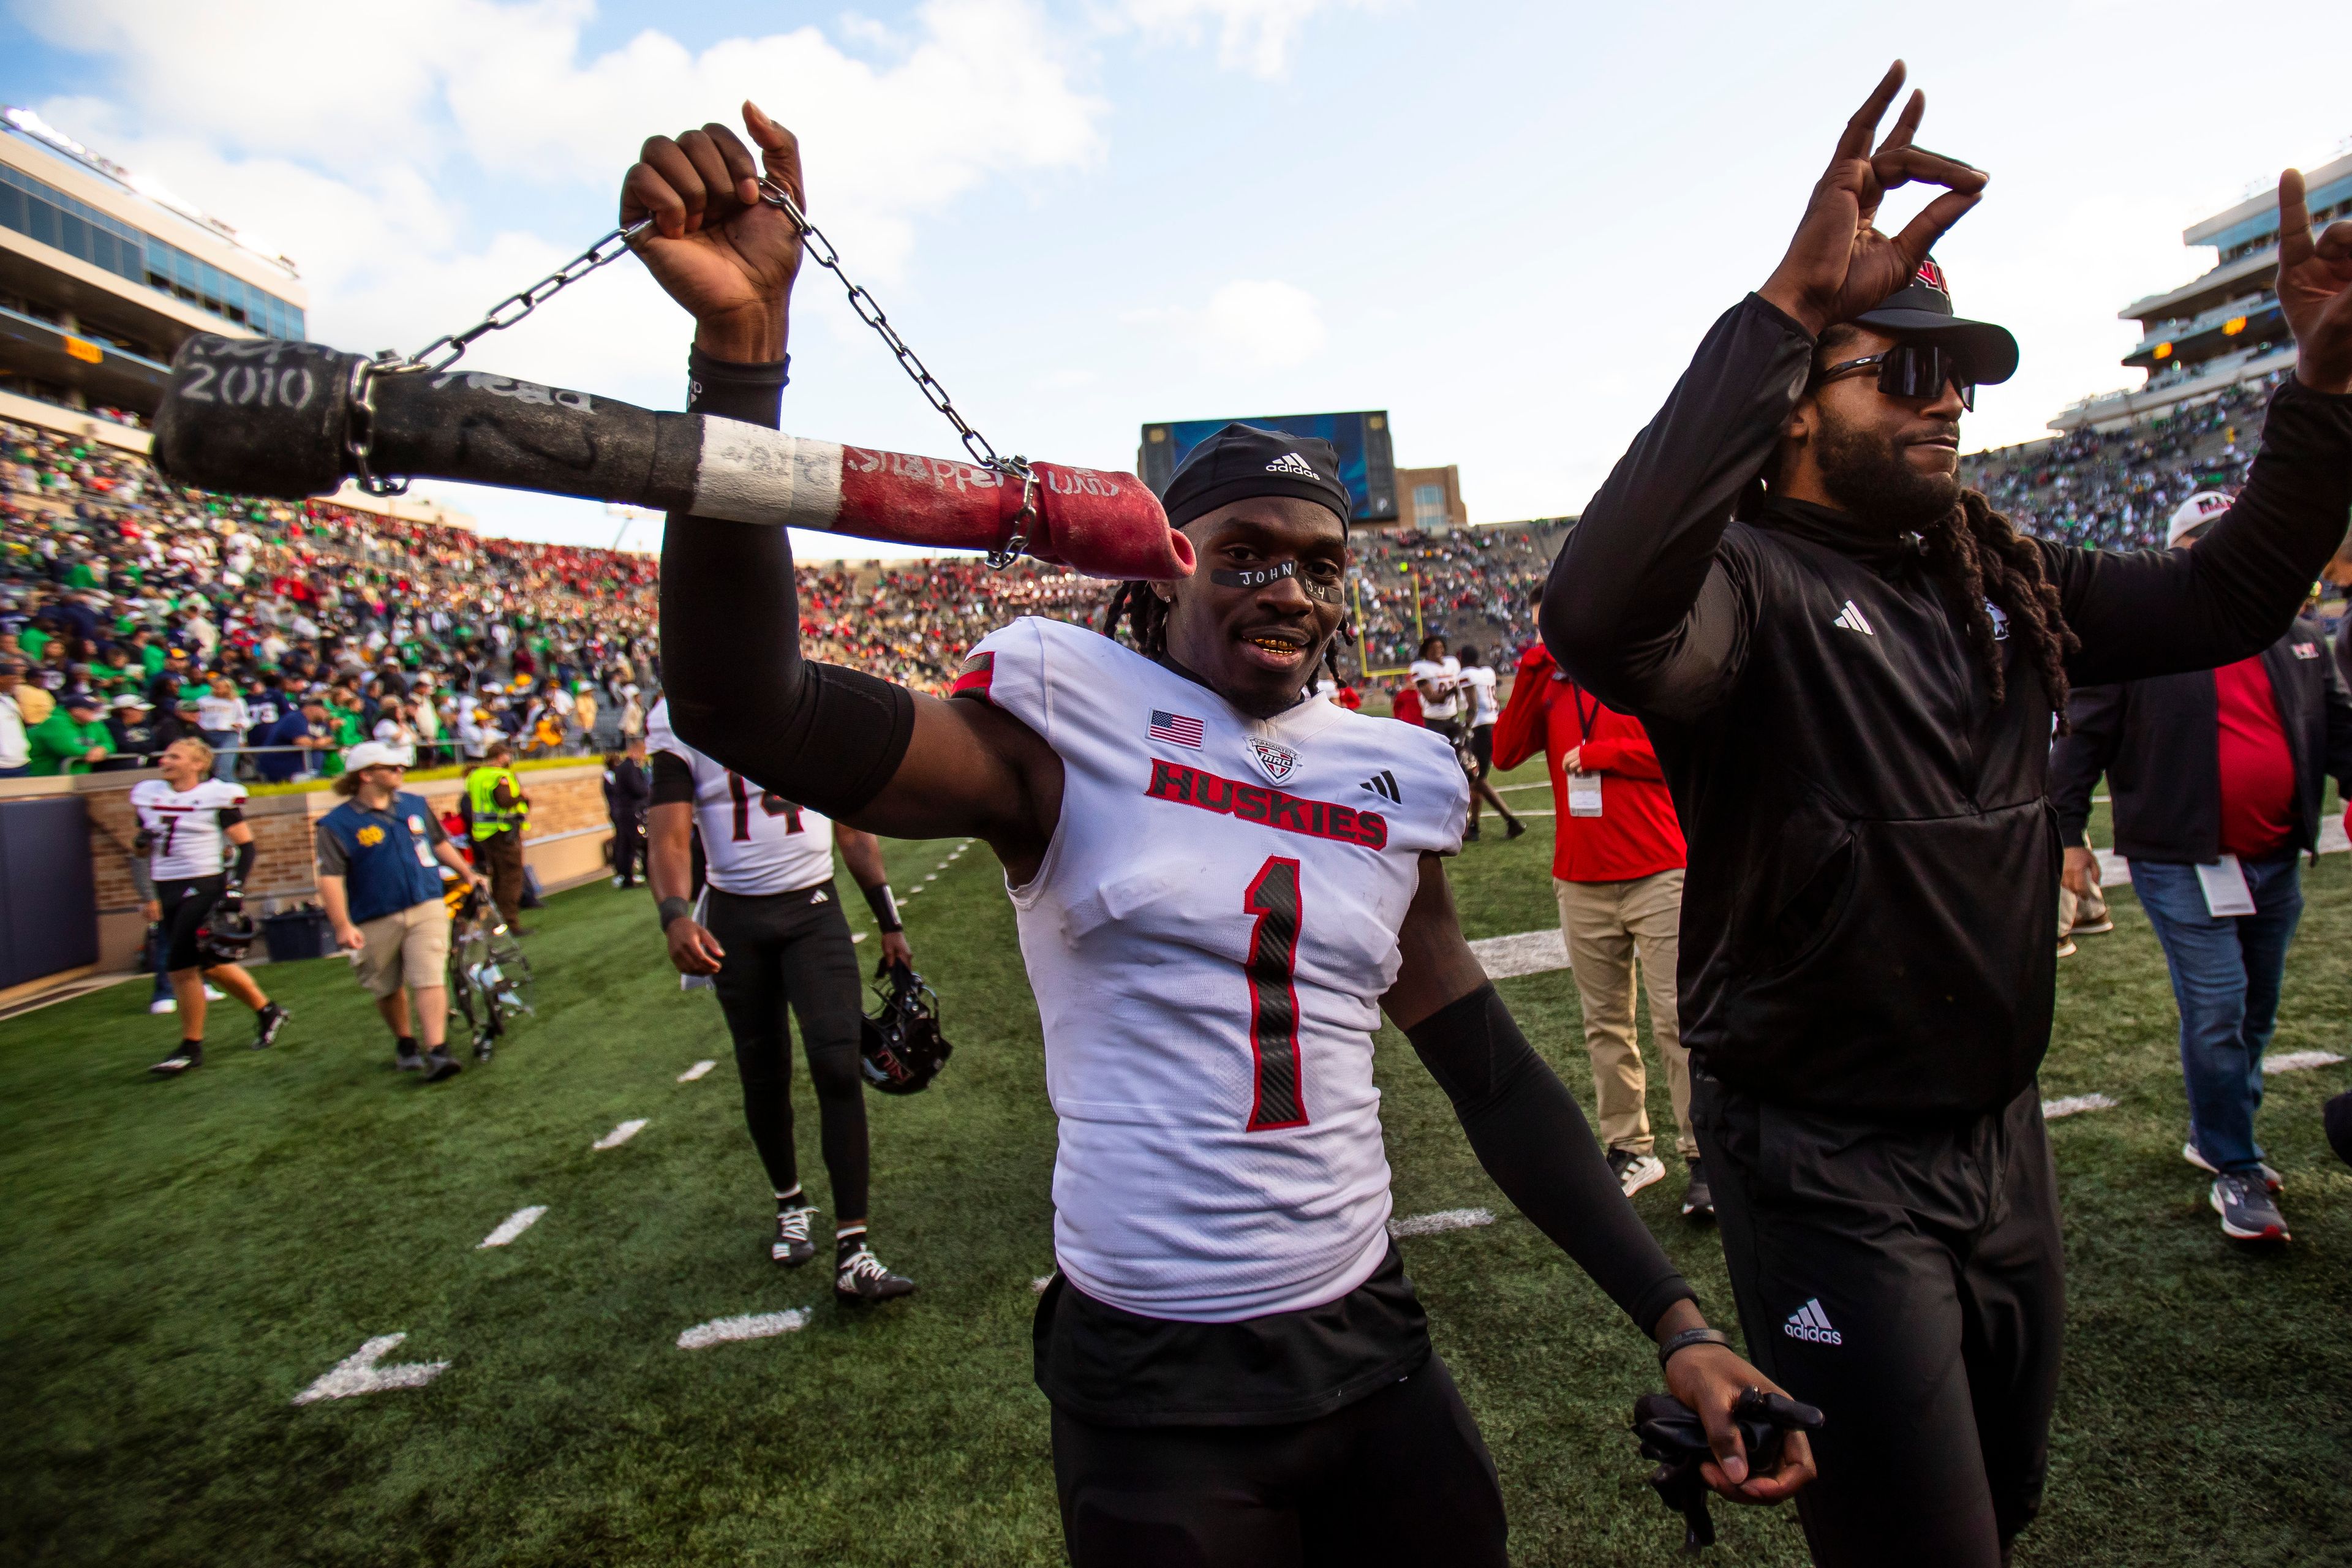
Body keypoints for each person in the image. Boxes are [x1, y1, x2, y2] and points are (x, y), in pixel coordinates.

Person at [635, 103, 1807, 1563]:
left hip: (1369, 1339)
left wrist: (1677, 1320)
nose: (1288, 590)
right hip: (1153, 1380)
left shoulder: (1384, 774)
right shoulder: (1055, 729)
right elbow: (746, 700)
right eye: (1241, 553)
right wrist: (741, 364)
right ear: (1161, 579)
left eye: (1317, 564)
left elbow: (1493, 1074)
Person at [1540, 64, 2352, 1566]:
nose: (1946, 401)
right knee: (1918, 1544)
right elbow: (1594, 610)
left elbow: (2231, 593)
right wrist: (1785, 298)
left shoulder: (1999, 573)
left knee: (2005, 1500)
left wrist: (2320, 398)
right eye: (1897, 371)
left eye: (1956, 374)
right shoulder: (1745, 587)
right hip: (1822, 1156)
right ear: (1790, 409)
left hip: (1998, 1132)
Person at [2049, 492, 2352, 1243]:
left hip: (2276, 853)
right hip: (2183, 857)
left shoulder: (2300, 634)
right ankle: (2234, 1157)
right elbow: (2081, 740)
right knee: (2218, 1007)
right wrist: (2068, 832)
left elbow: (2340, 730)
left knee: (2254, 1009)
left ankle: (2220, 1128)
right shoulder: (2142, 640)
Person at [646, 698, 919, 1300]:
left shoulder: (807, 694)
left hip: (813, 911)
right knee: (762, 1068)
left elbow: (851, 826)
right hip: (736, 918)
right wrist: (672, 915)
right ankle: (790, 1202)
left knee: (835, 1059)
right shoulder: (680, 713)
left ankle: (854, 1248)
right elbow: (668, 833)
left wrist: (888, 920)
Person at [1492, 585, 1700, 1212]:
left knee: (1678, 1021)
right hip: (1581, 875)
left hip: (1660, 867)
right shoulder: (1549, 681)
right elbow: (1503, 754)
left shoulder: (1640, 663)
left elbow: (1686, 749)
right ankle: (1632, 1147)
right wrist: (1532, 666)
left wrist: (1608, 753)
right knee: (1605, 1023)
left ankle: (1704, 1153)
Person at [315, 741, 486, 1083]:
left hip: (426, 903)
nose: (400, 772)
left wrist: (467, 872)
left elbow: (438, 844)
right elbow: (330, 878)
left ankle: (438, 1049)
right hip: (375, 914)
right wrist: (342, 924)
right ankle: (405, 1041)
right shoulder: (336, 824)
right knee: (387, 985)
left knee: (429, 976)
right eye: (391, 768)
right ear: (366, 775)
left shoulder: (414, 805)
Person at [131, 737, 290, 1074]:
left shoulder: (216, 796)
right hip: (168, 885)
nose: (166, 760)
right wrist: (143, 849)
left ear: (198, 764)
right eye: (166, 753)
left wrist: (235, 888)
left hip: (204, 884)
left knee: (181, 965)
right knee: (211, 964)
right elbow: (142, 851)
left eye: (176, 756)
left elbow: (247, 847)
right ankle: (267, 1010)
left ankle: (191, 1047)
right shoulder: (149, 795)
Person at [1449, 643, 1523, 841]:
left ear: (1463, 658)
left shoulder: (1467, 675)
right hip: (1493, 725)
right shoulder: (1488, 672)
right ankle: (1474, 827)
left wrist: (1465, 729)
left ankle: (1511, 821)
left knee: (1477, 779)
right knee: (1475, 780)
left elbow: (1472, 706)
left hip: (1480, 729)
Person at [466, 739, 532, 931]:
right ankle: (510, 923)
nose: (509, 758)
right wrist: (523, 796)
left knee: (499, 878)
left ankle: (496, 923)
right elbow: (504, 801)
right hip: (504, 832)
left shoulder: (476, 776)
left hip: (485, 834)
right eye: (507, 754)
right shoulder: (500, 776)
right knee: (511, 878)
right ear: (500, 757)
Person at [605, 734, 651, 889]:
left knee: (625, 844)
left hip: (624, 811)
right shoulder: (629, 768)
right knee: (630, 844)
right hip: (630, 811)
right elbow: (638, 788)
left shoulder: (623, 768)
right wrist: (648, 791)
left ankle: (626, 874)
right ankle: (628, 876)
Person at [28, 690, 111, 775]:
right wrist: (94, 751)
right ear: (76, 711)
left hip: (78, 777)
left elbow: (109, 744)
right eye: (90, 709)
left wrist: (103, 749)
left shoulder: (94, 724)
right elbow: (69, 749)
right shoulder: (55, 722)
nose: (95, 711)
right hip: (47, 778)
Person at [195, 670, 249, 782]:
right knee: (210, 767)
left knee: (224, 767)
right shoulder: (203, 701)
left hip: (229, 734)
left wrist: (241, 729)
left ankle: (234, 790)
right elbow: (197, 717)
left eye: (221, 687)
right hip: (208, 734)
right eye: (216, 687)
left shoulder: (237, 701)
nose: (217, 689)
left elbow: (245, 719)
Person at [0, 654, 32, 777]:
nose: (15, 682)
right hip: (2, 767)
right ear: (2, 678)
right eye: (13, 678)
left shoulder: (10, 701)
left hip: (21, 764)